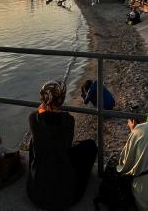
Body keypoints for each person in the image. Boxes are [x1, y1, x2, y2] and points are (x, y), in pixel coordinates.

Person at [27, 80, 97, 209]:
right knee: (90, 146)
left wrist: (41, 112)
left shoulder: (33, 118)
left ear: (43, 99)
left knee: (35, 142)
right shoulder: (68, 120)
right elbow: (65, 143)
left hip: (36, 193)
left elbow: (44, 127)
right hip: (65, 195)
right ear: (62, 99)